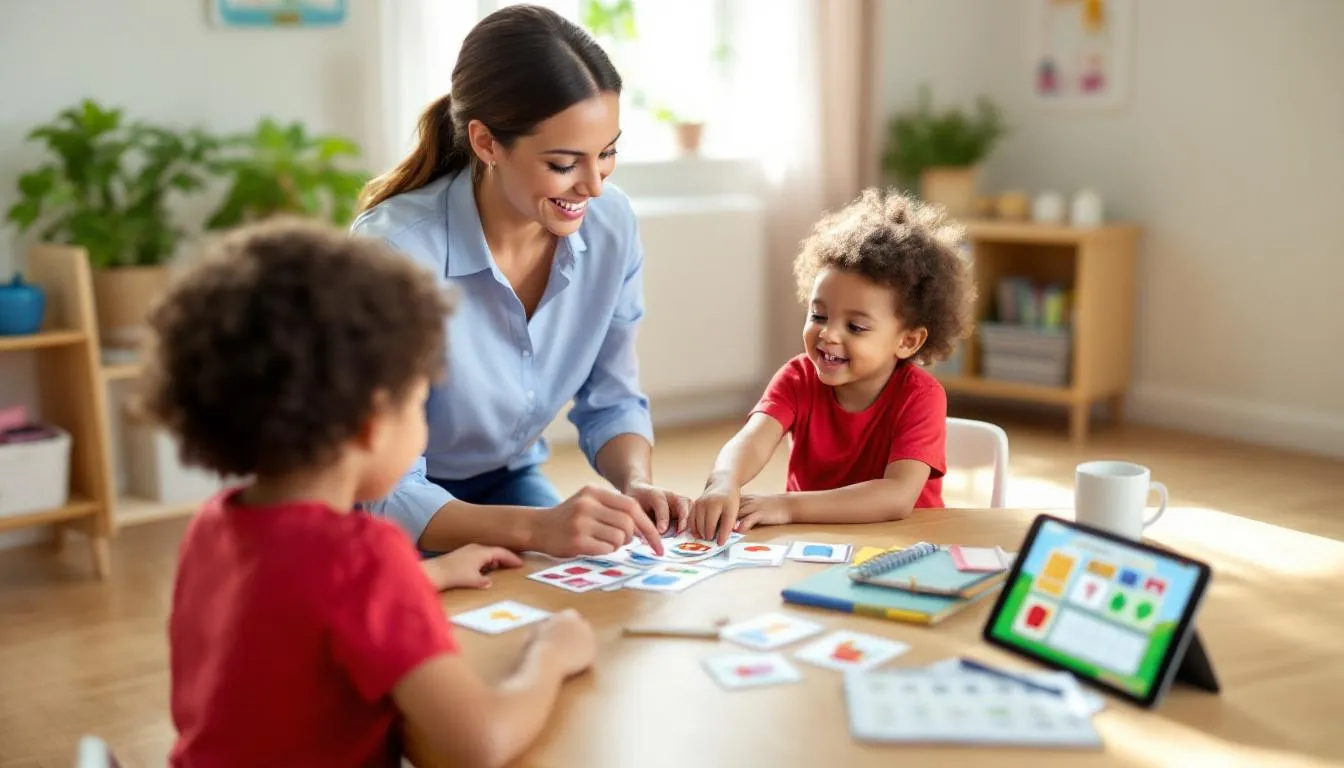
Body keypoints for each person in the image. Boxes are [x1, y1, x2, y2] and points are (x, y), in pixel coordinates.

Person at [143, 219, 596, 768]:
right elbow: (478, 745)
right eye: (420, 402)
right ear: (370, 424)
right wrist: (550, 655)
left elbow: (292, 613)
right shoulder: (364, 557)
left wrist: (425, 576)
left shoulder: (214, 525)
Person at [351, 4, 688, 558]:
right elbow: (381, 489)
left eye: (607, 154)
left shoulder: (611, 224)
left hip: (504, 480)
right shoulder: (394, 253)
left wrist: (635, 484)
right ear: (486, 144)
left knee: (580, 590)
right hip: (382, 500)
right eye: (563, 164)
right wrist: (536, 529)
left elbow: (611, 398)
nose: (594, 187)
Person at [691, 189, 977, 542]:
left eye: (855, 327)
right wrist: (724, 480)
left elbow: (897, 496)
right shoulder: (797, 378)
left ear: (907, 341)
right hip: (814, 543)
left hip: (901, 546)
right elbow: (750, 441)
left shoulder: (921, 396)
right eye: (818, 315)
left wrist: (788, 507)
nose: (828, 335)